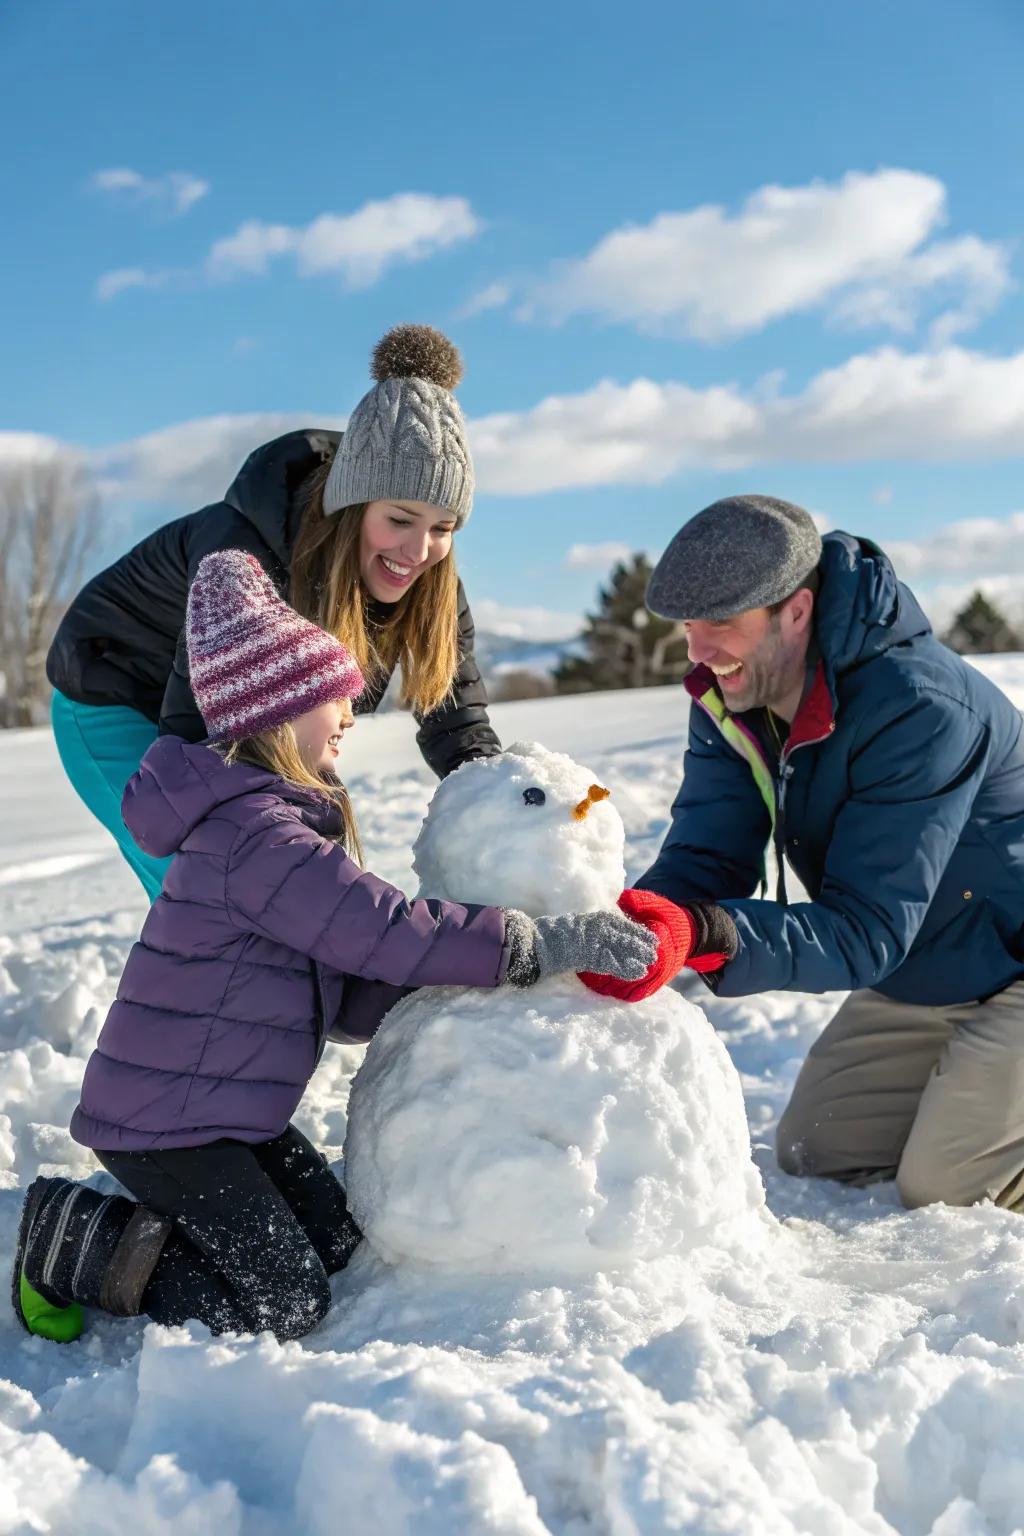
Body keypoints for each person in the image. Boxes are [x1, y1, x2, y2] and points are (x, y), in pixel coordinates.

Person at [13, 551, 657, 1345]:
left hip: (226, 1112)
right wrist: (537, 944)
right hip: (166, 1125)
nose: (351, 712)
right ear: (276, 715)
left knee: (341, 1245)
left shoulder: (276, 829)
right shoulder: (261, 841)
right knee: (282, 1302)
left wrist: (436, 994)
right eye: (332, 697)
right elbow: (389, 932)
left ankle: (179, 1225)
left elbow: (348, 982)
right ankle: (69, 1237)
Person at [626, 494, 1024, 1212]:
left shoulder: (918, 709)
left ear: (797, 610)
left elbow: (866, 929)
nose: (698, 650)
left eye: (721, 623)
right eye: (688, 626)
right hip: (935, 964)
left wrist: (711, 934)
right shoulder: (730, 693)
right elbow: (710, 850)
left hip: (1014, 958)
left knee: (948, 1189)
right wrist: (643, 921)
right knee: (821, 1152)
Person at [46, 324, 501, 901]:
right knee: (209, 883)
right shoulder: (243, 553)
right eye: (400, 519)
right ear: (350, 503)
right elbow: (190, 735)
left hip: (239, 717)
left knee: (298, 884)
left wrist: (505, 803)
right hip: (114, 689)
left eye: (443, 528)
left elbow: (457, 718)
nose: (418, 550)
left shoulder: (427, 573)